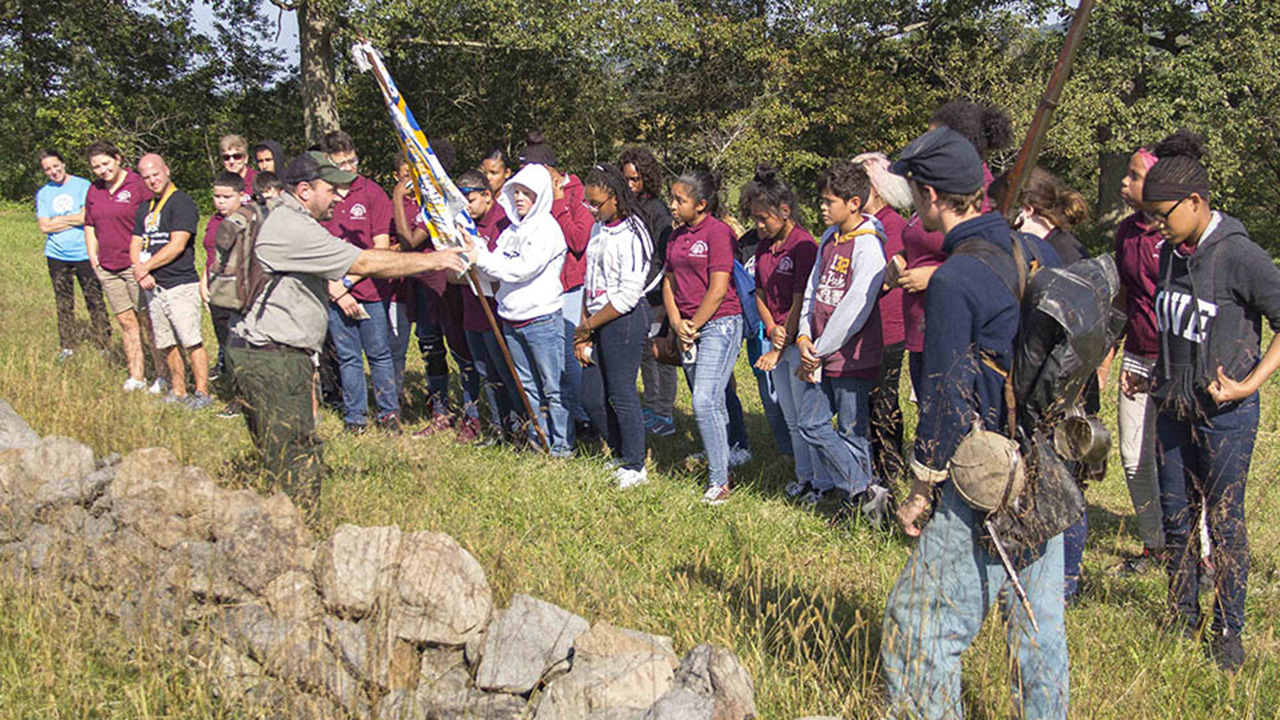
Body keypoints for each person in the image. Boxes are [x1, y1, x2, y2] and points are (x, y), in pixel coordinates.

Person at [880, 127, 1068, 719]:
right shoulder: (1033, 249)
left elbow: (943, 395)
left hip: (984, 476)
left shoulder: (955, 280)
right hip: (1043, 463)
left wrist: (919, 488)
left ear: (932, 194)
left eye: (913, 191)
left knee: (919, 629)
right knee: (1037, 625)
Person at [226, 151, 471, 509]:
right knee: (294, 456)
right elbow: (364, 261)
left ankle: (282, 519)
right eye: (332, 189)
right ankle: (297, 529)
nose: (340, 197)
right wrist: (436, 259)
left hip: (267, 351)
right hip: (272, 357)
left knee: (283, 452)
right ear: (305, 190)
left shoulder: (290, 218)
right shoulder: (292, 227)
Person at [1144, 130, 1280, 671]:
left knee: (1224, 523)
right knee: (1178, 519)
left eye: (1162, 214)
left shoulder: (1242, 255)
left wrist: (1251, 384)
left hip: (1226, 418)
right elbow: (1175, 325)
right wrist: (1154, 374)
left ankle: (1227, 628)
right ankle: (1182, 612)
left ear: (1196, 203)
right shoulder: (1170, 253)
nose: (1156, 224)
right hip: (1171, 409)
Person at [990, 164, 1096, 602]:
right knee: (1044, 480)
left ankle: (1063, 581)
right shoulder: (1052, 247)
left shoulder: (1060, 254)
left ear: (1025, 209)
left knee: (1059, 485)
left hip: (1060, 385)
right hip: (1050, 381)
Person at [792, 160, 889, 519]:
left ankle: (860, 504)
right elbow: (813, 289)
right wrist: (804, 335)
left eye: (829, 201)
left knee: (852, 430)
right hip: (817, 350)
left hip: (851, 356)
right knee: (811, 423)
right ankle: (865, 488)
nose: (821, 207)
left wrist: (821, 348)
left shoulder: (868, 246)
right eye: (820, 199)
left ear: (853, 202)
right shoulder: (829, 239)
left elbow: (855, 307)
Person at [895, 101, 1012, 392]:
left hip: (956, 332)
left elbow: (991, 265)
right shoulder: (935, 186)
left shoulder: (981, 196)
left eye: (934, 140)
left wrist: (935, 275)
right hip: (925, 323)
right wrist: (899, 260)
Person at [473, 163, 572, 456]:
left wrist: (481, 258)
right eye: (516, 191)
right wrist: (474, 251)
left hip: (540, 319)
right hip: (511, 318)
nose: (518, 197)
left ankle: (562, 446)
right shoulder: (511, 231)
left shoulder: (547, 230)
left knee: (552, 388)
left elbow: (519, 270)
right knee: (527, 386)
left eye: (526, 192)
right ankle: (538, 440)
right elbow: (494, 269)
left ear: (540, 195)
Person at [662, 170, 743, 504]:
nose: (673, 204)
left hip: (719, 323)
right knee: (710, 399)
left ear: (702, 204)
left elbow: (719, 287)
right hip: (687, 326)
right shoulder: (674, 236)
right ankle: (722, 460)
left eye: (680, 200)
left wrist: (693, 324)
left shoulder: (718, 233)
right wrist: (676, 322)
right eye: (674, 198)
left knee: (703, 400)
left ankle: (719, 481)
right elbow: (669, 281)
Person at [573, 163, 653, 487]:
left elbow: (627, 295)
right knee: (591, 396)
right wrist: (583, 329)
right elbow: (588, 280)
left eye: (596, 204)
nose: (590, 209)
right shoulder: (599, 228)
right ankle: (621, 454)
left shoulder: (634, 233)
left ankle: (636, 465)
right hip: (594, 321)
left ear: (616, 200)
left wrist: (589, 325)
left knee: (621, 394)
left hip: (624, 321)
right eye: (587, 203)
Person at [743, 166, 819, 496]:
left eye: (763, 219)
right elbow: (759, 292)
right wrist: (771, 327)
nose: (758, 226)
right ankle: (804, 476)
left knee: (806, 417)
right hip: (776, 336)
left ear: (784, 211)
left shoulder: (803, 246)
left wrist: (780, 340)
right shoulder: (764, 247)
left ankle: (822, 479)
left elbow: (802, 299)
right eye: (755, 219)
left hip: (798, 340)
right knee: (790, 416)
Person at [1111, 144, 1168, 575]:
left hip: (1178, 363)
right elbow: (1124, 299)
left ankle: (1198, 551)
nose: (1125, 184)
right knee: (1134, 456)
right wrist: (1110, 354)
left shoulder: (1179, 239)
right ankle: (1155, 545)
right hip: (1137, 356)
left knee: (1180, 460)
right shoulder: (1127, 232)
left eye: (1134, 176)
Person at [320, 131, 399, 433]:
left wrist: (348, 283)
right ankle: (356, 417)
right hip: (333, 292)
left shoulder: (372, 193)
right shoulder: (321, 196)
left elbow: (379, 249)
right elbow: (314, 251)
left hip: (370, 290)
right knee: (348, 356)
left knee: (379, 353)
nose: (349, 168)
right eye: (341, 164)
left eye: (352, 161)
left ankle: (388, 413)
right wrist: (336, 290)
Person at [519, 131, 592, 439]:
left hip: (570, 285)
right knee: (548, 358)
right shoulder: (528, 195)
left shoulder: (578, 193)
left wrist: (559, 201)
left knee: (569, 354)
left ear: (548, 171)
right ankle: (555, 416)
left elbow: (577, 240)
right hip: (540, 287)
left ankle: (583, 416)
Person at [83, 140, 168, 392]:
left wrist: (148, 260)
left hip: (135, 266)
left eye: (106, 163)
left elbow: (156, 217)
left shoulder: (137, 184)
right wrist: (92, 254)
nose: (102, 170)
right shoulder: (94, 190)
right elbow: (89, 223)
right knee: (126, 322)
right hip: (108, 267)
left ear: (118, 159)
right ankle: (137, 375)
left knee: (148, 321)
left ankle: (163, 375)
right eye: (96, 167)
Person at [130, 153, 212, 409]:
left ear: (166, 170)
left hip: (180, 283)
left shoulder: (182, 203)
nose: (152, 180)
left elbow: (177, 245)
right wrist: (139, 269)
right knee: (166, 342)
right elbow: (135, 241)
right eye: (146, 177)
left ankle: (202, 392)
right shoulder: (145, 207)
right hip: (154, 286)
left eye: (156, 174)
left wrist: (145, 268)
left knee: (191, 340)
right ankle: (178, 391)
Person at [853, 152, 912, 492]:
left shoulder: (894, 227)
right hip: (860, 329)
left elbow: (885, 279)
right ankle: (868, 466)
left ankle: (889, 469)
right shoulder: (857, 225)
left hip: (887, 329)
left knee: (883, 401)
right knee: (864, 401)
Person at [620, 146, 679, 438]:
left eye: (635, 179)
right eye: (626, 179)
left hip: (654, 294)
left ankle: (665, 413)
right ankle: (651, 405)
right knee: (644, 353)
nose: (630, 185)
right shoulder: (625, 208)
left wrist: (652, 291)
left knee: (660, 354)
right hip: (633, 292)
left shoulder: (658, 211)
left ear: (647, 178)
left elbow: (663, 256)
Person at [35, 149, 111, 360]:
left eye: (55, 166)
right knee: (63, 301)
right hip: (57, 255)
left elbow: (87, 217)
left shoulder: (83, 186)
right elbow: (44, 227)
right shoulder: (44, 194)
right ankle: (67, 346)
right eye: (48, 169)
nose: (53, 171)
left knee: (94, 299)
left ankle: (104, 344)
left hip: (84, 253)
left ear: (63, 163)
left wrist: (57, 221)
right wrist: (73, 217)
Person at [200, 172, 247, 391]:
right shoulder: (213, 221)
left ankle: (245, 396)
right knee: (225, 344)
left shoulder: (249, 221)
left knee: (242, 346)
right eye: (217, 196)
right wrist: (204, 282)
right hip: (216, 288)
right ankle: (234, 390)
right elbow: (210, 255)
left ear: (241, 196)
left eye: (226, 197)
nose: (220, 201)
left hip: (239, 292)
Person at [220, 134, 258, 205]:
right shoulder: (222, 183)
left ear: (245, 158)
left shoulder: (259, 180)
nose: (231, 161)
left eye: (237, 156)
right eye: (226, 157)